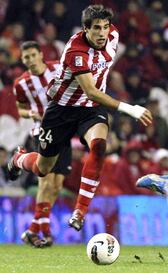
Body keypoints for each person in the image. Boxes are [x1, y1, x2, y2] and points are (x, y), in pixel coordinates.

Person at [7, 5, 153, 231]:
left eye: (105, 27)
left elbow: (92, 98)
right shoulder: (76, 50)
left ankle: (80, 211)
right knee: (42, 169)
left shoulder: (113, 35)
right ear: (85, 29)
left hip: (90, 109)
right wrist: (130, 109)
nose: (102, 33)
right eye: (96, 28)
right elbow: (91, 90)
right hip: (62, 111)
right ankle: (18, 159)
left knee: (99, 147)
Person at [13, 41, 72, 247]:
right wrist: (30, 113)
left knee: (56, 186)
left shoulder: (58, 68)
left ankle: (32, 230)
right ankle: (45, 232)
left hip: (64, 130)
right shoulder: (21, 83)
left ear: (40, 54)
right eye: (26, 57)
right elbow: (20, 108)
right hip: (41, 132)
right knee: (45, 181)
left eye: (32, 55)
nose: (30, 60)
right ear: (22, 60)